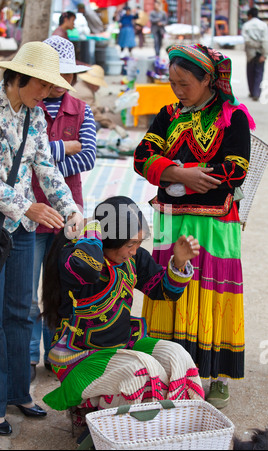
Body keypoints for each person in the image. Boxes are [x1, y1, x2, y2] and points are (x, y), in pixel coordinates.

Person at [0, 41, 83, 436]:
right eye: (43, 84)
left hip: (19, 229)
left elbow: (45, 166)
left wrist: (69, 208)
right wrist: (26, 205)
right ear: (20, 76)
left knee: (22, 312)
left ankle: (19, 391)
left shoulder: (34, 114)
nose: (48, 92)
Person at [134, 44, 256, 409]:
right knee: (169, 287)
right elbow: (142, 157)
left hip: (215, 222)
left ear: (207, 80)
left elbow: (236, 168)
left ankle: (214, 372)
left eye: (184, 83)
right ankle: (170, 366)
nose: (177, 90)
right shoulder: (168, 113)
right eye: (172, 82)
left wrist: (179, 178)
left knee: (210, 290)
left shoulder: (232, 116)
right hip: (172, 219)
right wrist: (176, 171)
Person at [42, 196, 204, 422]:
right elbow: (88, 269)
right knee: (140, 372)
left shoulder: (132, 260)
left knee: (177, 356)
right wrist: (93, 228)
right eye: (130, 244)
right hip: (81, 356)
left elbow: (163, 291)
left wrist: (178, 263)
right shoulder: (75, 256)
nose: (136, 251)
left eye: (138, 243)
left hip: (123, 345)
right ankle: (111, 430)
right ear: (108, 239)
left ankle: (174, 424)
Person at [29, 36, 96, 381]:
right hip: (26, 213)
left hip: (67, 214)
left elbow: (87, 156)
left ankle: (56, 353)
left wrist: (44, 157)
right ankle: (27, 356)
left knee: (59, 289)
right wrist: (61, 148)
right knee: (25, 291)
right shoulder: (28, 105)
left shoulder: (82, 110)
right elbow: (21, 157)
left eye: (66, 76)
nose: (60, 83)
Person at [69, 65, 126, 135]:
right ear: (93, 83)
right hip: (73, 123)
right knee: (96, 124)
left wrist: (103, 109)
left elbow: (91, 107)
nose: (99, 88)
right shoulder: (86, 93)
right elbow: (94, 114)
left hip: (73, 118)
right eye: (98, 85)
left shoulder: (81, 85)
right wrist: (112, 125)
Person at [241, 7, 268, 101]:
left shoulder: (246, 25)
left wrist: (254, 45)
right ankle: (256, 93)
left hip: (250, 53)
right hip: (261, 52)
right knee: (259, 73)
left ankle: (253, 92)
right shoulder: (263, 25)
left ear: (249, 16)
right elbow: (265, 41)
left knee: (250, 73)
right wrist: (264, 54)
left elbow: (246, 39)